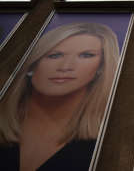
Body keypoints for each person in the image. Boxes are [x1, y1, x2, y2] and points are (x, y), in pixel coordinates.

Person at [0, 22, 119, 171]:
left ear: (101, 67)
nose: (65, 66)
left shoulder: (111, 138)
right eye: (55, 55)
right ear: (32, 63)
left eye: (86, 55)